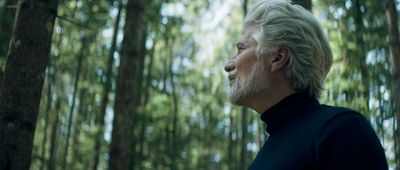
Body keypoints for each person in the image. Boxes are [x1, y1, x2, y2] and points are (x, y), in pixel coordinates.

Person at [223, 0, 389, 169]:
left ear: (279, 57)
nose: (228, 65)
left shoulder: (343, 131)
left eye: (241, 49)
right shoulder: (261, 158)